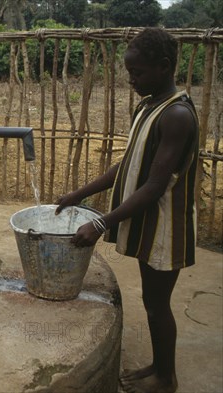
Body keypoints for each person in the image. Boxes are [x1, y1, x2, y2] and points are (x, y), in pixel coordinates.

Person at [56, 28, 198, 393]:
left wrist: (101, 222)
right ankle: (159, 365)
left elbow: (153, 187)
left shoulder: (177, 116)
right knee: (152, 300)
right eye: (129, 72)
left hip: (167, 225)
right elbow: (127, 165)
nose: (131, 80)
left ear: (164, 67)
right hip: (150, 221)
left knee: (157, 303)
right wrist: (78, 194)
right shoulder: (148, 105)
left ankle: (166, 379)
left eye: (138, 73)